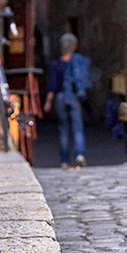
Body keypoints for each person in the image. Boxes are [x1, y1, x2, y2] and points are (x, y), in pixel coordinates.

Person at [44, 33, 93, 170]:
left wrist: (48, 101)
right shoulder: (77, 63)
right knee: (78, 128)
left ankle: (65, 161)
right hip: (74, 98)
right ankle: (79, 155)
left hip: (60, 98)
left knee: (63, 129)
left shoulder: (56, 65)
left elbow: (53, 85)